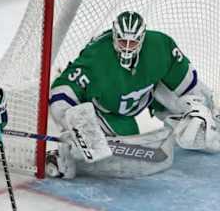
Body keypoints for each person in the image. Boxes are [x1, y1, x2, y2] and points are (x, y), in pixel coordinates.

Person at [47, 11, 220, 178]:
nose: (127, 49)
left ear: (142, 38)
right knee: (123, 158)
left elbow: (189, 83)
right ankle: (65, 154)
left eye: (133, 43)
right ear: (114, 36)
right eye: (123, 42)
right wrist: (75, 123)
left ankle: (214, 125)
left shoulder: (160, 46)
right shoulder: (96, 56)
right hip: (108, 112)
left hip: (149, 95)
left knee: (198, 116)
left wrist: (202, 109)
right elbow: (61, 91)